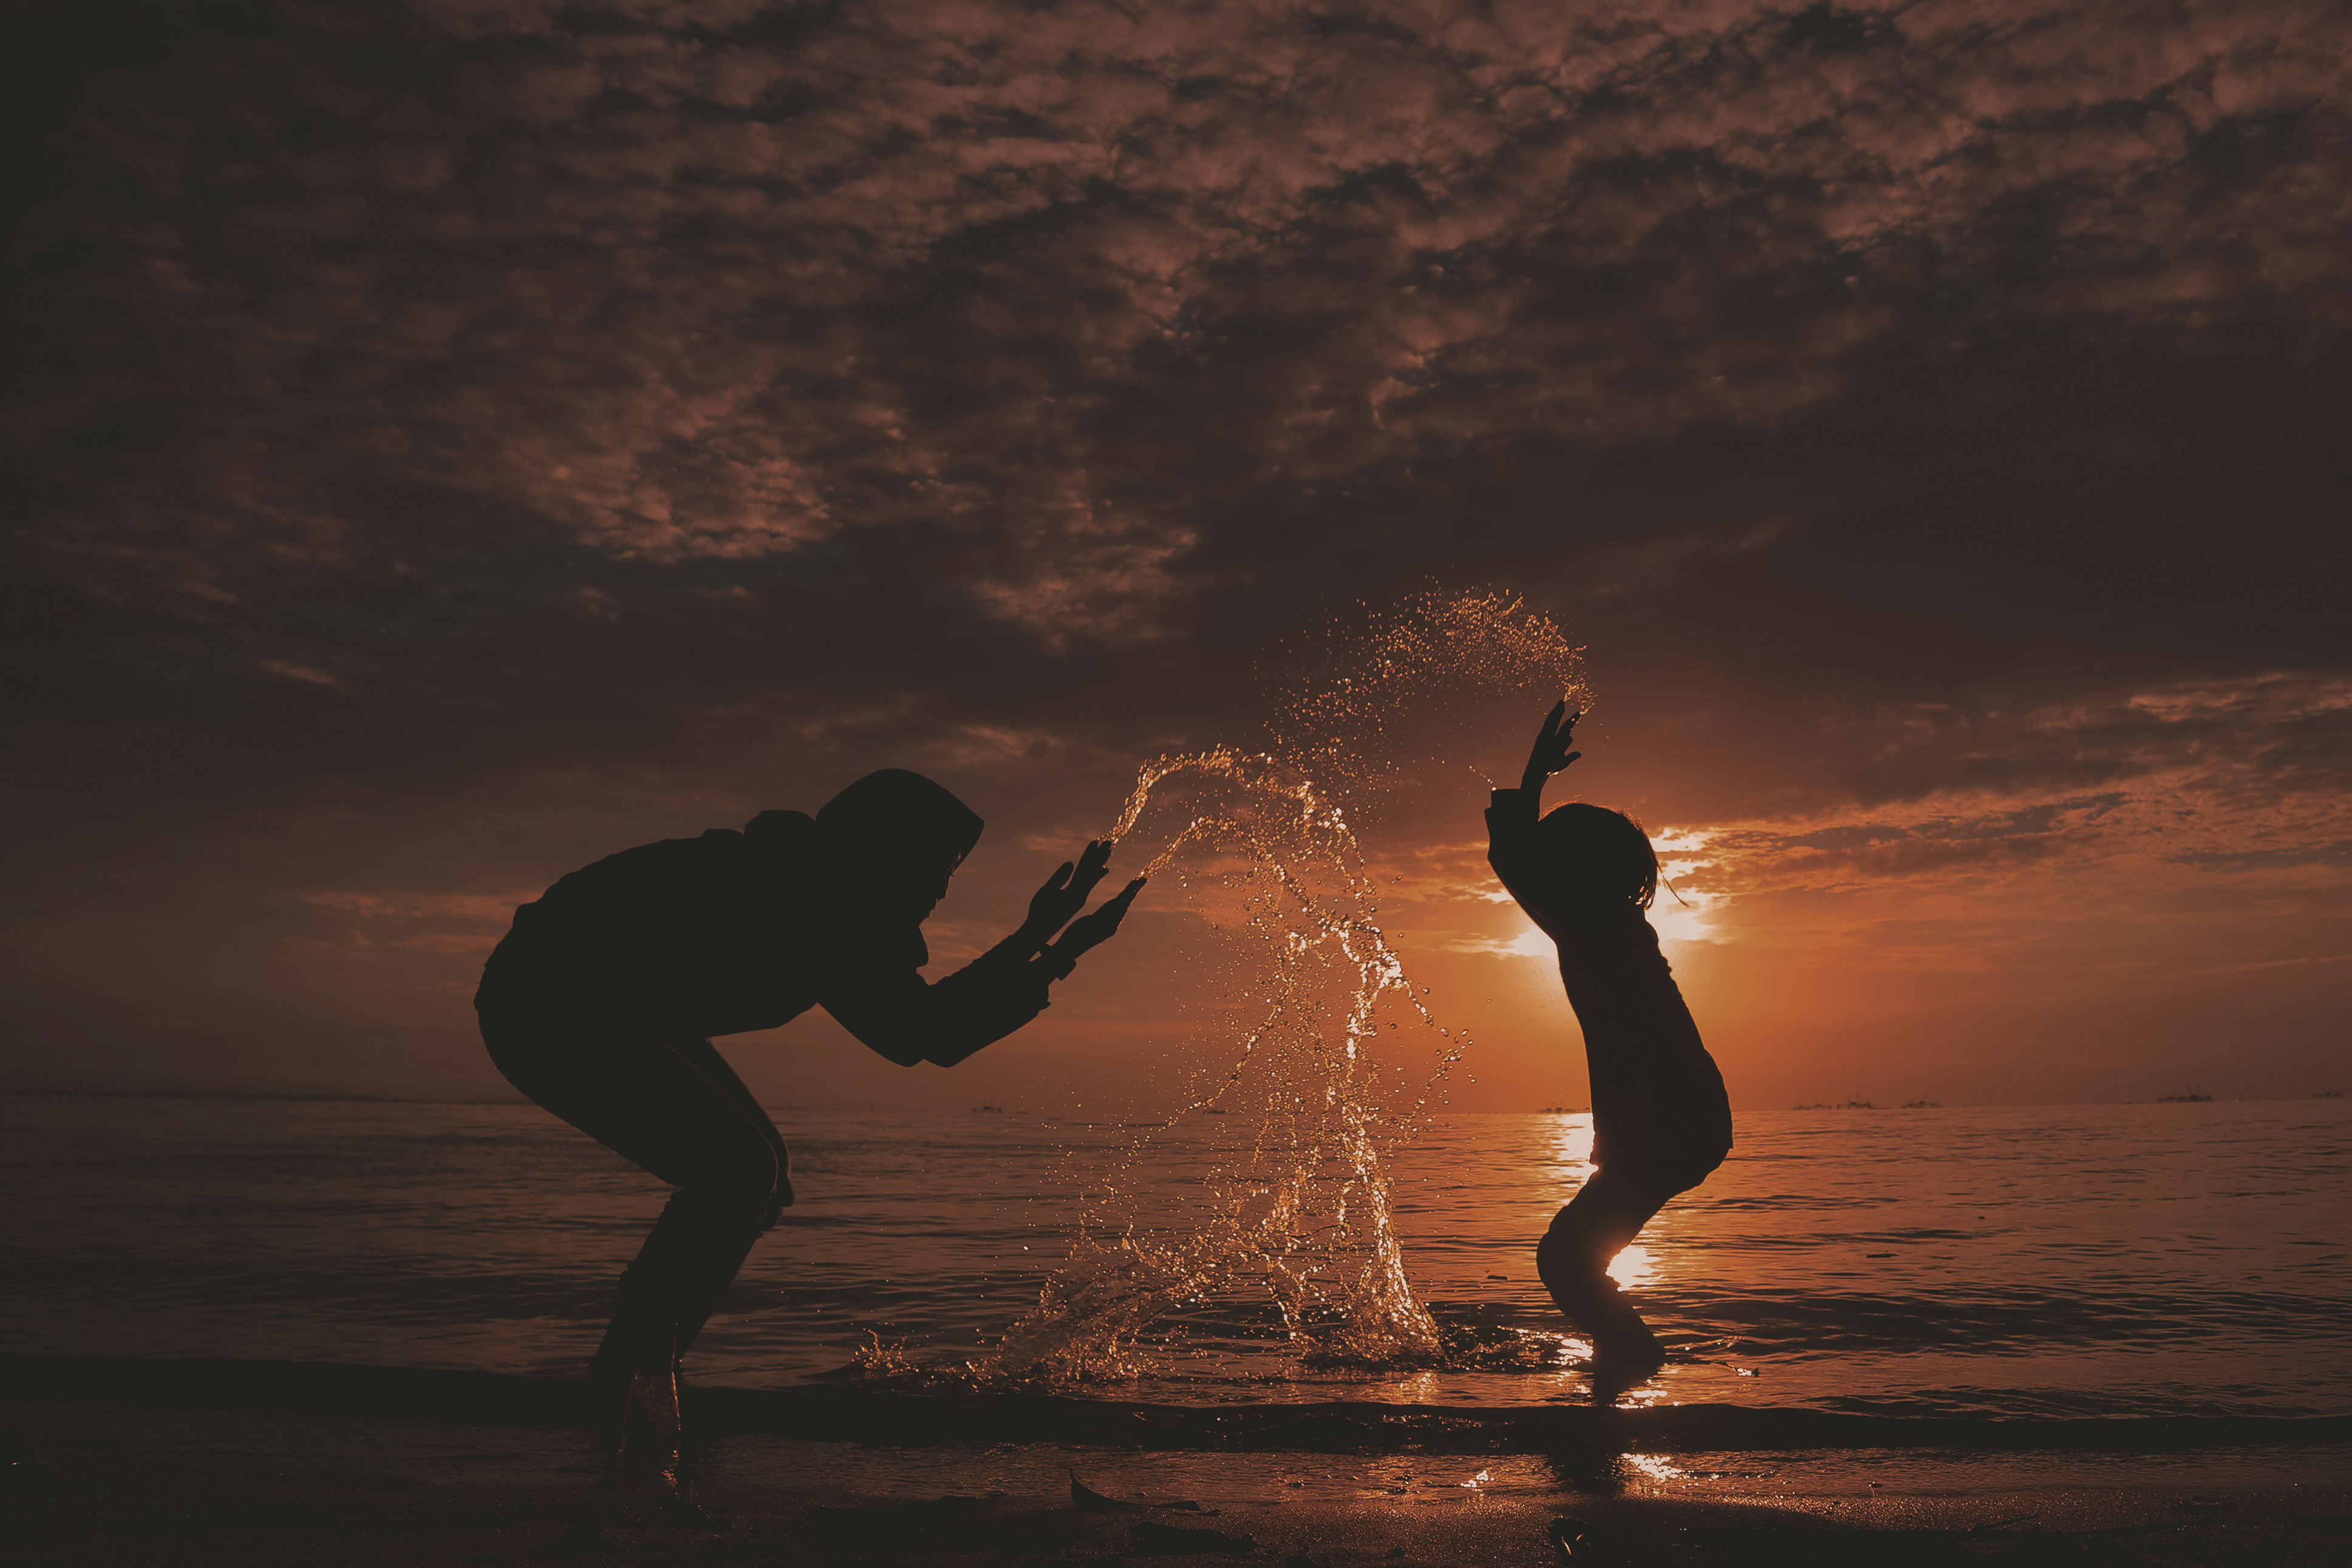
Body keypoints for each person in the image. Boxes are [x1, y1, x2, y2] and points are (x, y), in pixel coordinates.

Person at [474, 769, 1144, 1465]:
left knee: (759, 1176)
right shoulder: (819, 898)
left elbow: (920, 1023)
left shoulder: (825, 886)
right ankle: (631, 1376)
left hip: (620, 1005)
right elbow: (924, 1037)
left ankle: (642, 1363)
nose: (940, 893)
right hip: (546, 1001)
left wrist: (1043, 937)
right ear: (885, 853)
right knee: (740, 1172)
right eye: (937, 869)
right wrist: (1051, 944)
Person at [1485, 703, 1731, 1400]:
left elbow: (1511, 854)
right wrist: (1532, 784)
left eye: (1558, 852)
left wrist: (1532, 776)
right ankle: (1615, 1375)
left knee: (1566, 1258)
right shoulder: (1610, 920)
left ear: (1579, 867)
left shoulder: (1592, 921)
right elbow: (1519, 853)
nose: (1544, 865)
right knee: (1574, 1256)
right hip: (1682, 1115)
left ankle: (1632, 1358)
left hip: (1672, 1117)